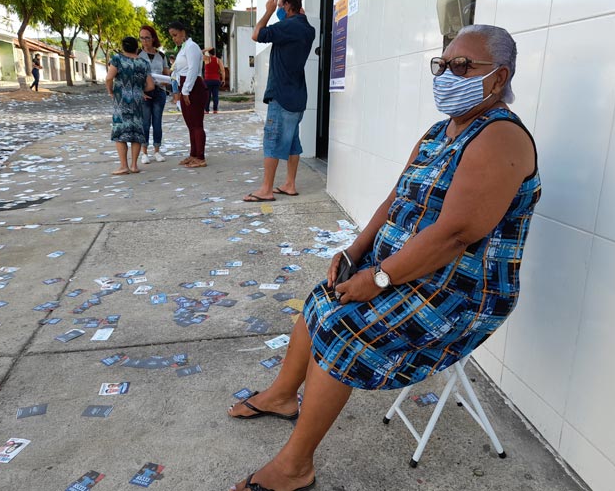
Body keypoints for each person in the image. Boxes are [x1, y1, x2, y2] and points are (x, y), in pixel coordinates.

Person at [227, 24, 541, 491]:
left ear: (498, 79)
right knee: (321, 300)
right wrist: (354, 252)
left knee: (343, 330)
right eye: (442, 64)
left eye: (462, 66)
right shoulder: (441, 131)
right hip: (406, 270)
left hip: (460, 290)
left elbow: (456, 235)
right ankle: (281, 396)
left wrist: (378, 279)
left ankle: (296, 466)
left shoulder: (501, 138)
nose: (446, 74)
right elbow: (397, 198)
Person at [243, 0, 315, 202]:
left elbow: (257, 34)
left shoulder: (287, 26)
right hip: (298, 95)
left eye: (280, 5)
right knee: (293, 141)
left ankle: (266, 189)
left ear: (287, 6)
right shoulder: (307, 29)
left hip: (281, 95)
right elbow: (302, 22)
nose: (278, 9)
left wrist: (267, 12)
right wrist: (298, 13)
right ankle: (289, 184)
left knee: (272, 140)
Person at [105, 36, 154, 175]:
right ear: (136, 47)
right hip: (137, 100)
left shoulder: (117, 59)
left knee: (121, 131)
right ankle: (134, 165)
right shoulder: (143, 63)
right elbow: (150, 85)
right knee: (136, 131)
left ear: (123, 47)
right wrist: (138, 90)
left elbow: (109, 78)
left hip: (121, 100)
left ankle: (123, 166)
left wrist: (110, 91)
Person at [167, 21, 209, 168]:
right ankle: (193, 154)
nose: (174, 38)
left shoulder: (192, 47)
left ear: (183, 32)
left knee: (197, 124)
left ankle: (200, 157)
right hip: (185, 86)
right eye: (172, 36)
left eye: (175, 35)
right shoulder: (184, 48)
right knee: (190, 124)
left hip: (193, 87)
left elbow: (192, 70)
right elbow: (179, 71)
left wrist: (186, 90)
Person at [138, 25, 170, 164]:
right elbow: (135, 75)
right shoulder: (138, 54)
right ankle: (144, 152)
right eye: (142, 38)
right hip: (144, 92)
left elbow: (166, 73)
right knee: (145, 122)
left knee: (157, 122)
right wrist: (140, 91)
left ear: (153, 38)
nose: (145, 41)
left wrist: (165, 81)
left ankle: (157, 150)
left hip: (159, 91)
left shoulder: (161, 55)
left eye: (147, 38)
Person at [203, 47, 225, 114]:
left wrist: (206, 49)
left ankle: (206, 110)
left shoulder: (206, 58)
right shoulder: (218, 60)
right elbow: (223, 70)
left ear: (209, 52)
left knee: (208, 96)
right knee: (215, 95)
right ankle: (215, 110)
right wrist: (223, 79)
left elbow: (199, 53)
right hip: (216, 80)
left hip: (208, 80)